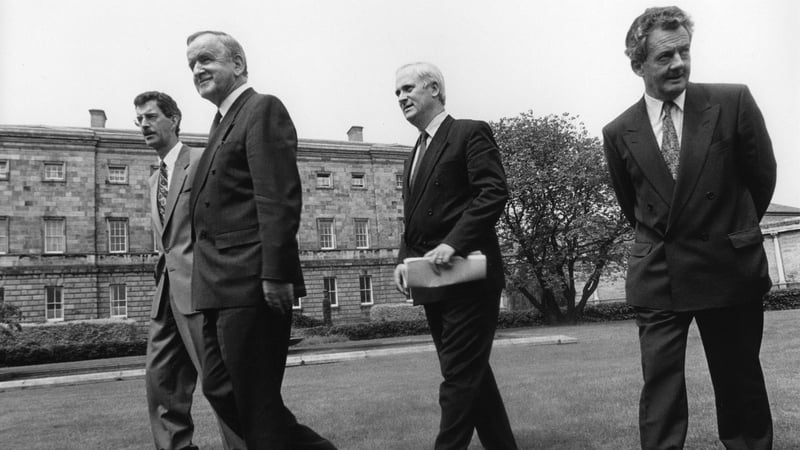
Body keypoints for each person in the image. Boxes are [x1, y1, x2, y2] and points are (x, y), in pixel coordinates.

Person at [602, 7, 776, 449]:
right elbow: (634, 205)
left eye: (684, 51)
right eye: (665, 56)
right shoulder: (619, 131)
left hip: (728, 266)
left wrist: (729, 230)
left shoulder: (732, 102)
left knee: (739, 385)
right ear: (638, 65)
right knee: (660, 394)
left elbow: (761, 178)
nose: (679, 63)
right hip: (659, 274)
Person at [185, 30, 335, 450]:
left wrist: (276, 273)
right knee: (222, 390)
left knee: (255, 404)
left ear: (237, 64)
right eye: (192, 64)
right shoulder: (221, 122)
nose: (197, 69)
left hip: (251, 282)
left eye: (206, 59)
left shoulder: (261, 109)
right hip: (216, 286)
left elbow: (277, 197)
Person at [392, 62, 518, 450]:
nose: (401, 98)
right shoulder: (414, 152)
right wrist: (403, 260)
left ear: (434, 89)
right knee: (469, 374)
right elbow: (414, 219)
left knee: (459, 378)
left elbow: (493, 192)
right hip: (433, 280)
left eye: (408, 88)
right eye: (397, 93)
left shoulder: (468, 132)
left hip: (469, 277)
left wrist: (455, 242)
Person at [135, 91, 245, 450]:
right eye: (139, 120)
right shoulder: (154, 180)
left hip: (202, 292)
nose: (144, 125)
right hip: (166, 298)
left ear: (174, 119)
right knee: (161, 385)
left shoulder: (202, 160)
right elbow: (167, 241)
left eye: (151, 116)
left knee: (220, 388)